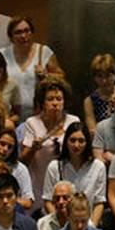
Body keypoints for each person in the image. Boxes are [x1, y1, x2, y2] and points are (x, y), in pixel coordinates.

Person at [20, 77, 79, 213]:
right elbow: (24, 161)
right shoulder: (32, 123)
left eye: (59, 99)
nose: (55, 103)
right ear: (42, 102)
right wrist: (33, 148)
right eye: (50, 99)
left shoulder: (73, 121)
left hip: (67, 184)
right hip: (39, 185)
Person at [0, 16, 64, 120]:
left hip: (39, 114)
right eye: (18, 32)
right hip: (11, 115)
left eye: (27, 31)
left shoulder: (43, 52)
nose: (24, 36)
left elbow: (61, 77)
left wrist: (46, 75)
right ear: (11, 37)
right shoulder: (2, 55)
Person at [42, 121, 107, 221]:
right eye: (72, 140)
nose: (76, 145)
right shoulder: (54, 167)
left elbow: (99, 203)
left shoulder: (98, 167)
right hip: (60, 224)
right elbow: (48, 201)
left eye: (81, 141)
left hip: (87, 223)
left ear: (87, 143)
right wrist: (61, 225)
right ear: (66, 142)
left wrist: (91, 228)